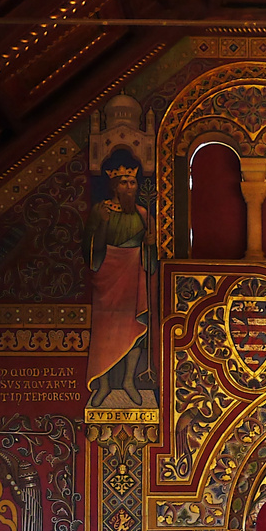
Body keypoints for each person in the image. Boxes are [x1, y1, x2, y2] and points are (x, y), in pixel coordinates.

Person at [84, 147, 155, 407]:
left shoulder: (143, 215)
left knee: (135, 329)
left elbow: (152, 259)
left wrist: (150, 245)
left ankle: (128, 381)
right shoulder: (100, 211)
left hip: (133, 273)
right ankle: (103, 384)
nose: (130, 186)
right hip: (108, 275)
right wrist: (101, 224)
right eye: (124, 182)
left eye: (133, 182)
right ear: (115, 186)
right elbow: (89, 249)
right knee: (104, 332)